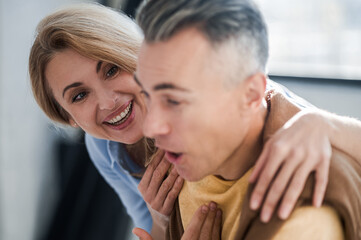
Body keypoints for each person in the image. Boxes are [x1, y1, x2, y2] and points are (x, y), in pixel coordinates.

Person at [28, 2, 361, 238]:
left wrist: (320, 124)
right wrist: (161, 219)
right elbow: (158, 230)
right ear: (68, 117)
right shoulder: (103, 147)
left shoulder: (240, 99)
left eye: (112, 69)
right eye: (79, 95)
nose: (108, 102)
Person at [134, 0, 361, 239]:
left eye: (174, 101)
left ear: (251, 94)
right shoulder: (184, 158)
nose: (150, 128)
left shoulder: (304, 221)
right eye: (147, 95)